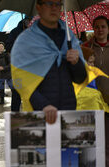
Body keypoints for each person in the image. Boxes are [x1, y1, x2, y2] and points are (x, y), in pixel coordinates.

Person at [11, 0, 87, 124]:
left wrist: (76, 63)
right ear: (38, 7)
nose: (54, 8)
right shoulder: (25, 41)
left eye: (58, 4)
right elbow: (19, 81)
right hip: (39, 115)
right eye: (49, 3)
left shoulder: (69, 37)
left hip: (68, 113)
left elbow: (80, 78)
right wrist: (43, 105)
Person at [82, 15, 109, 166]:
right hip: (92, 104)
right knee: (93, 143)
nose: (99, 30)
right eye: (97, 27)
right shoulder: (85, 48)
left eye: (103, 26)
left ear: (108, 29)